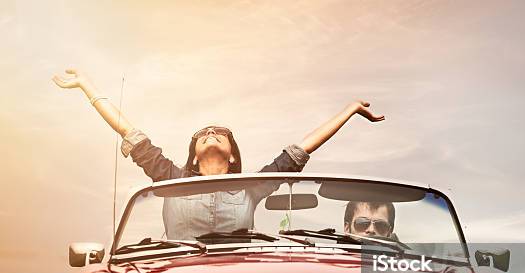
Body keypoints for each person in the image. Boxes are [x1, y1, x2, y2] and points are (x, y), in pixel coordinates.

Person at [53, 69, 385, 240]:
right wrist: (87, 86)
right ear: (194, 155)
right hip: (176, 272)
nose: (211, 133)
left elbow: (300, 150)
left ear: (232, 155)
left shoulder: (251, 186)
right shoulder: (172, 178)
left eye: (221, 133)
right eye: (202, 134)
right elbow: (129, 132)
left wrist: (350, 109)